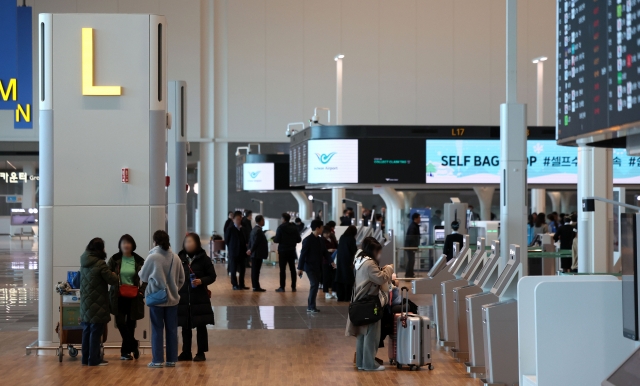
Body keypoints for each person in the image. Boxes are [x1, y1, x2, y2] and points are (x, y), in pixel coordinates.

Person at [346, 237, 394, 371]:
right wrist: (389, 269)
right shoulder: (369, 264)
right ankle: (369, 364)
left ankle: (361, 363)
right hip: (370, 303)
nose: (379, 254)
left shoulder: (359, 260)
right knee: (372, 334)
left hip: (360, 301)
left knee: (362, 334)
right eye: (378, 251)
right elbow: (380, 278)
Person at [139, 230, 185, 368]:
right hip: (172, 300)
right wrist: (174, 289)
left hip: (156, 300)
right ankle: (172, 359)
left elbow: (143, 276)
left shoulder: (152, 257)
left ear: (155, 242)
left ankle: (157, 360)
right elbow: (182, 279)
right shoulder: (175, 257)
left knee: (157, 330)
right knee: (172, 330)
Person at [177, 233, 216, 362]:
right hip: (184, 298)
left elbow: (212, 276)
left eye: (191, 242)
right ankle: (186, 351)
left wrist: (201, 281)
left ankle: (201, 352)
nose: (188, 244)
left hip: (199, 298)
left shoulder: (204, 258)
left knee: (200, 326)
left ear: (197, 243)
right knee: (185, 326)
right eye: (186, 242)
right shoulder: (180, 258)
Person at [107, 234, 146, 361]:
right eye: (123, 243)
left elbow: (147, 277)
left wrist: (141, 291)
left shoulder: (139, 260)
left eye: (128, 243)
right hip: (118, 295)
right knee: (120, 322)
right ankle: (134, 345)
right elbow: (106, 275)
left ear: (132, 245)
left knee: (130, 323)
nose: (126, 245)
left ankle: (125, 352)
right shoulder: (114, 259)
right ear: (120, 245)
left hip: (134, 296)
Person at [80, 237, 118, 366]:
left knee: (87, 331)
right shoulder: (100, 263)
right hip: (97, 302)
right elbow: (112, 280)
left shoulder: (84, 262)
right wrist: (115, 274)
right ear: (100, 249)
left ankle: (85, 358)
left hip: (85, 304)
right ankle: (94, 359)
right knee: (96, 332)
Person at [297, 220, 332, 313]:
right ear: (317, 228)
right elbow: (303, 254)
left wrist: (331, 261)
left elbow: (325, 252)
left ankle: (312, 306)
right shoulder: (307, 240)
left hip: (318, 266)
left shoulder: (320, 240)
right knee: (314, 284)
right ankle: (311, 306)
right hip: (309, 267)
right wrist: (300, 268)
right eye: (322, 227)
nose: (323, 229)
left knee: (315, 285)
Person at [273, 213, 301, 292]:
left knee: (282, 270)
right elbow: (299, 240)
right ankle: (293, 287)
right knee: (292, 269)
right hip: (292, 250)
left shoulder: (280, 228)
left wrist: (275, 239)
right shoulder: (294, 227)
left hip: (282, 251)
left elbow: (277, 240)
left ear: (283, 219)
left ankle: (282, 287)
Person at [224, 211, 248, 290]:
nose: (239, 221)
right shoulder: (230, 229)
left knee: (242, 269)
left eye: (240, 219)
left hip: (242, 252)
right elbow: (227, 240)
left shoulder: (243, 229)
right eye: (237, 219)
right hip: (234, 252)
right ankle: (234, 284)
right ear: (233, 220)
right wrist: (232, 248)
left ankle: (242, 284)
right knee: (233, 269)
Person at [334, 225, 358, 301]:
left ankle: (340, 296)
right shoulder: (351, 239)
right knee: (348, 279)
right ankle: (347, 297)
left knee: (340, 278)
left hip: (340, 260)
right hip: (348, 261)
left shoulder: (342, 237)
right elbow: (354, 250)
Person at [247, 215, 268, 292]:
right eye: (263, 220)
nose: (264, 221)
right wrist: (251, 250)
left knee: (255, 270)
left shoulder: (254, 229)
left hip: (254, 254)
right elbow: (256, 242)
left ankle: (256, 286)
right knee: (256, 271)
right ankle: (256, 286)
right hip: (257, 254)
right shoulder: (258, 230)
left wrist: (249, 249)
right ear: (260, 221)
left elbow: (250, 241)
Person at [321, 227, 338, 299]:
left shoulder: (332, 239)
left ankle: (334, 291)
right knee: (326, 277)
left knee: (334, 276)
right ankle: (326, 292)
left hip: (333, 260)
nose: (328, 235)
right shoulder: (322, 240)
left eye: (328, 233)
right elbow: (321, 250)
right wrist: (329, 250)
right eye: (326, 233)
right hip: (325, 261)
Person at [404, 212, 421, 277]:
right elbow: (411, 237)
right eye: (419, 218)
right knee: (411, 261)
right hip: (410, 247)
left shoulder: (414, 226)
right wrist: (414, 245)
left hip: (412, 247)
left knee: (412, 260)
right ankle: (408, 275)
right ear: (415, 218)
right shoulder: (413, 227)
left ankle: (410, 273)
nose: (420, 219)